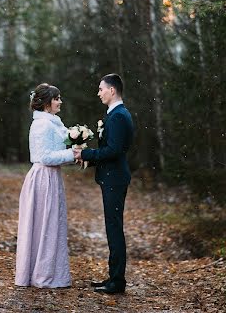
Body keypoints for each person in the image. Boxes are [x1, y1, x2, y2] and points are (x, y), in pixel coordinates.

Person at [74, 73, 134, 294]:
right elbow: (112, 151)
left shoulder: (118, 116)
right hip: (112, 177)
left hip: (115, 179)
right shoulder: (116, 114)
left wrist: (87, 153)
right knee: (112, 228)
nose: (98, 93)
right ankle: (113, 277)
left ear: (112, 90)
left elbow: (114, 150)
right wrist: (89, 160)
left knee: (114, 229)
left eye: (100, 89)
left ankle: (117, 281)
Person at [15, 83, 75, 289]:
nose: (60, 102)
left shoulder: (53, 123)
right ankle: (41, 274)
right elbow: (45, 156)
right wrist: (73, 154)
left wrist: (76, 153)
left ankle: (47, 271)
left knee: (50, 225)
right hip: (43, 179)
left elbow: (55, 153)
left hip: (52, 177)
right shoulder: (42, 125)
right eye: (57, 98)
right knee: (44, 226)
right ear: (47, 103)